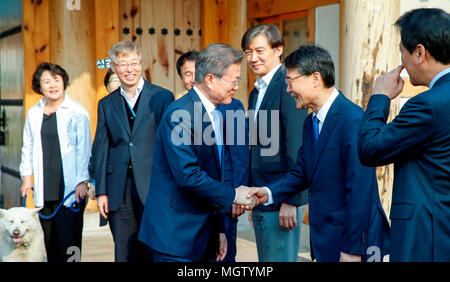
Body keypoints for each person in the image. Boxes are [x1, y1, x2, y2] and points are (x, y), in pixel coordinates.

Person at [246, 45, 390, 262]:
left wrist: (352, 250)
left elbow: (361, 192)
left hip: (350, 245)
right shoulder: (310, 121)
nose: (287, 90)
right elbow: (302, 171)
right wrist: (267, 192)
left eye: (291, 81)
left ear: (315, 78)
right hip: (326, 240)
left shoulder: (351, 119)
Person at [138, 43, 256, 262]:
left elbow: (215, 173)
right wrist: (233, 195)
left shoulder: (215, 111)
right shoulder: (181, 114)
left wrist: (220, 229)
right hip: (176, 238)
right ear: (210, 79)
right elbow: (189, 176)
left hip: (206, 233)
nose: (236, 87)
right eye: (234, 81)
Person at [358, 8, 450, 262]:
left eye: (402, 52)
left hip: (426, 238)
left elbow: (370, 147)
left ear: (419, 52)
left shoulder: (428, 104)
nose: (402, 62)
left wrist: (379, 97)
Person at [93, 41, 174, 262]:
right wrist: (101, 191)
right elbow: (101, 148)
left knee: (155, 249)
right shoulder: (106, 104)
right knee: (124, 251)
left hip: (154, 185)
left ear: (141, 63)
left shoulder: (162, 97)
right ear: (114, 68)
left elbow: (171, 145)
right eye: (123, 64)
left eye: (133, 63)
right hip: (119, 188)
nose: (129, 69)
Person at [242, 24, 308, 262]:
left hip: (283, 198)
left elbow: (298, 147)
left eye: (260, 51)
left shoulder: (287, 86)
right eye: (248, 52)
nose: (253, 58)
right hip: (262, 197)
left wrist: (293, 200)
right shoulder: (256, 91)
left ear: (278, 49)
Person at [176, 50, 249, 262]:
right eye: (187, 73)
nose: (191, 78)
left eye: (194, 72)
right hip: (196, 205)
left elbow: (239, 156)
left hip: (225, 200)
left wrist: (236, 195)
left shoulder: (231, 106)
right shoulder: (180, 113)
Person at [19, 62, 91, 262]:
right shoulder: (34, 113)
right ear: (39, 86)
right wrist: (26, 178)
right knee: (50, 244)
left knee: (70, 244)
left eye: (56, 80)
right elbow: (27, 147)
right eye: (47, 81)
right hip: (45, 187)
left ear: (64, 82)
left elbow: (85, 149)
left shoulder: (77, 111)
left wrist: (83, 180)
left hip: (71, 188)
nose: (53, 85)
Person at [88, 68, 122, 226]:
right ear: (107, 86)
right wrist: (94, 182)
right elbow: (99, 149)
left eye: (119, 79)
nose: (117, 83)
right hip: (112, 181)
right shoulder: (105, 107)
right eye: (113, 80)